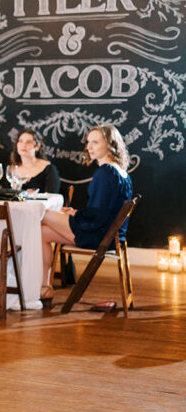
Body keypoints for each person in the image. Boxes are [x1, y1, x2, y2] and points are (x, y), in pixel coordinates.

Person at [39, 125, 133, 307]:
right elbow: (103, 210)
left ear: (110, 145)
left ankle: (27, 282)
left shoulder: (105, 172)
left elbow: (97, 216)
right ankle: (44, 287)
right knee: (42, 233)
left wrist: (77, 217)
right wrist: (77, 213)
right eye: (88, 142)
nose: (89, 147)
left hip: (98, 235)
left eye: (95, 142)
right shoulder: (121, 171)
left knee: (41, 213)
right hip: (110, 236)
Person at [11, 128, 61, 194]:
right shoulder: (12, 170)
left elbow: (52, 198)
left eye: (28, 142)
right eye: (20, 141)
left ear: (37, 146)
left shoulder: (49, 169)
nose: (24, 145)